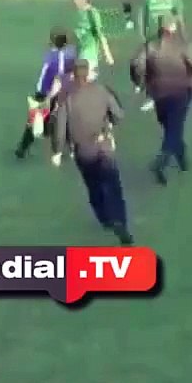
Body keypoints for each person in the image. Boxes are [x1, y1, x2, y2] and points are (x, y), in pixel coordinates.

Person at [52, 60, 132, 245]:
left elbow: (60, 129)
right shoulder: (102, 90)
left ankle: (105, 218)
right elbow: (119, 114)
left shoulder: (67, 98)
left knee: (93, 185)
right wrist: (110, 122)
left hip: (83, 151)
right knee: (113, 185)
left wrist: (57, 151)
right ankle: (120, 221)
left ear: (73, 75)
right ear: (88, 74)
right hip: (103, 145)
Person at [130, 17, 192, 186]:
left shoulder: (151, 45)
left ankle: (183, 162)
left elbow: (136, 65)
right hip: (180, 93)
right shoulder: (184, 44)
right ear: (173, 27)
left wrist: (141, 84)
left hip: (159, 94)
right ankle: (160, 163)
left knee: (172, 128)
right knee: (174, 130)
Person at [15, 29, 76, 160]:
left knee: (37, 120)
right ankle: (71, 148)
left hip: (46, 93)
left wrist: (48, 98)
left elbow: (56, 79)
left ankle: (23, 148)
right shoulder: (65, 55)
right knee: (61, 120)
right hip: (52, 93)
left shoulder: (52, 57)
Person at [70, 0, 114, 81]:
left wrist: (107, 54)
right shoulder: (77, 14)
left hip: (89, 55)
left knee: (80, 83)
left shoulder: (92, 13)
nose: (75, 1)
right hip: (79, 54)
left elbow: (100, 34)